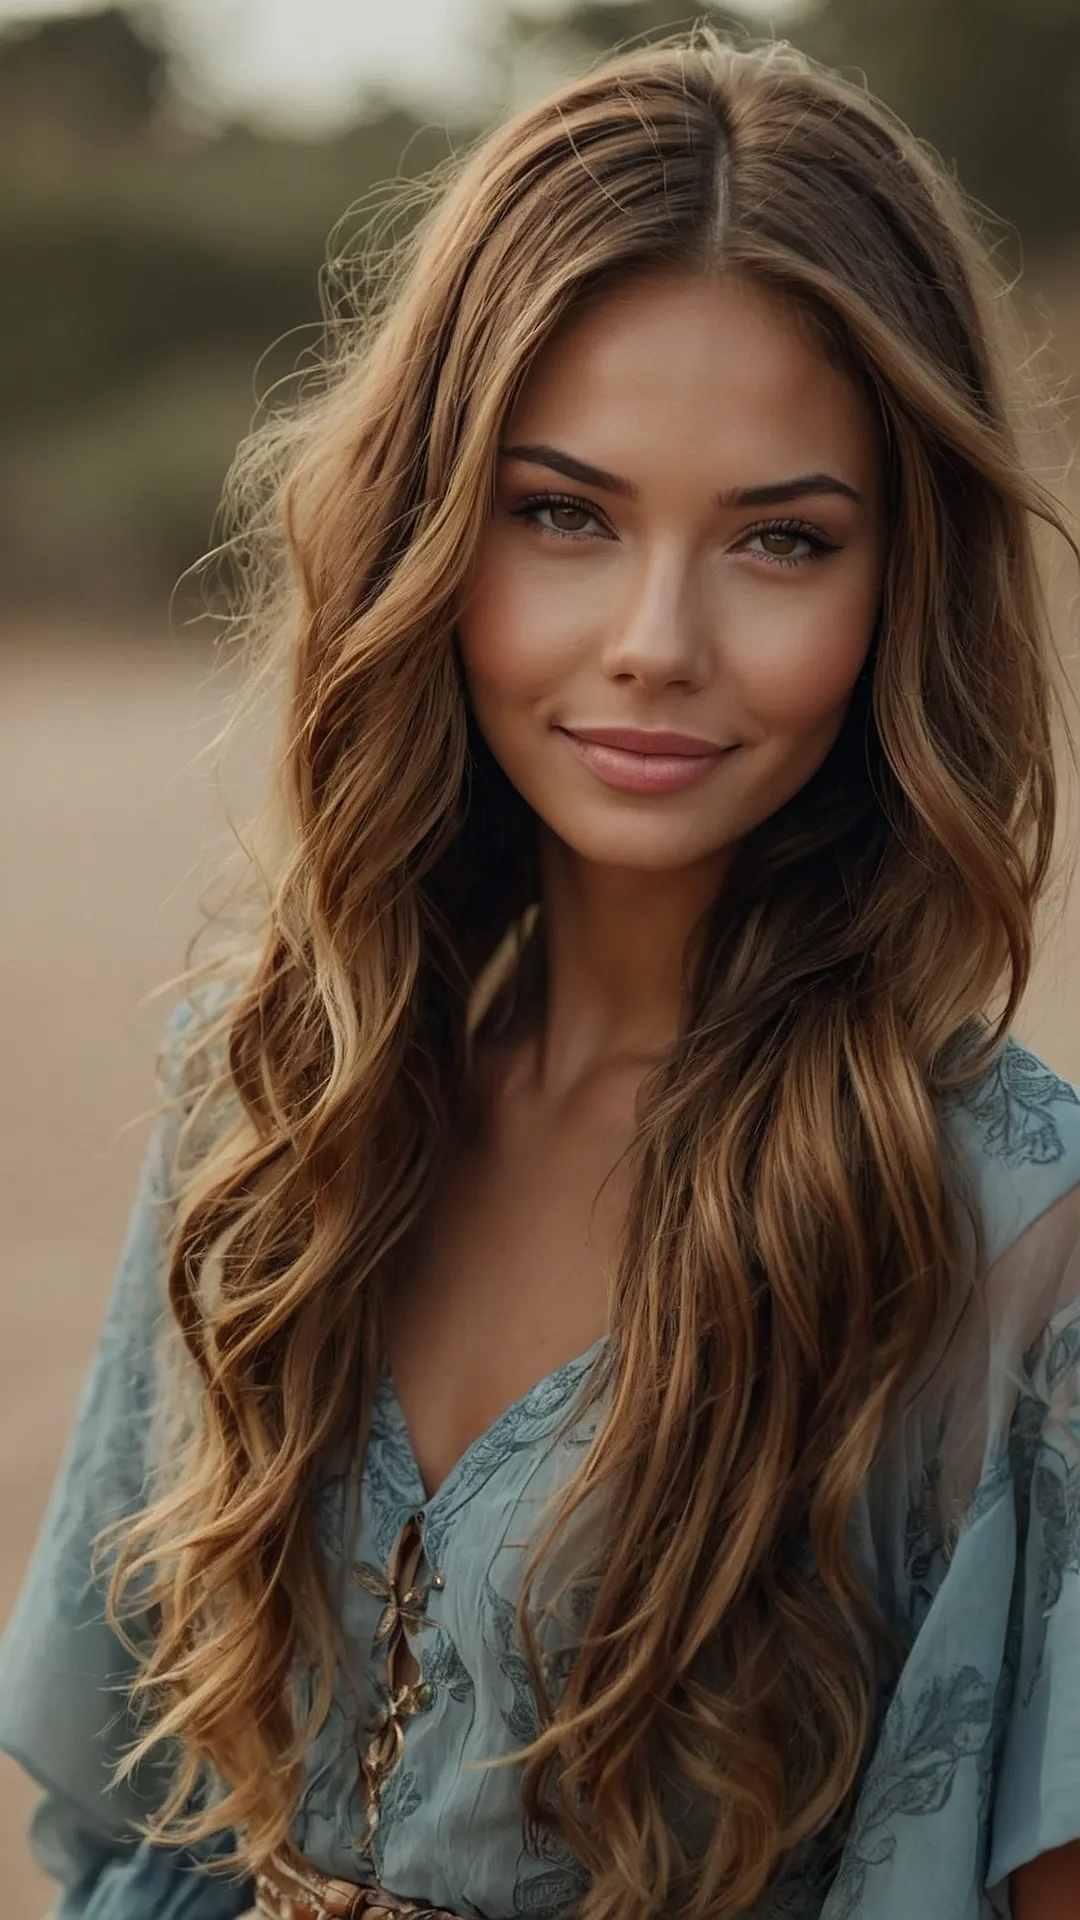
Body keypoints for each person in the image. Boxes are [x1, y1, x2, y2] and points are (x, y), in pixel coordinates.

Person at [2, 24, 1079, 1920]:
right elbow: (131, 1830)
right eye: (564, 512)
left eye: (781, 539)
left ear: (901, 583)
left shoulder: (1017, 1235)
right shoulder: (270, 1108)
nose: (656, 641)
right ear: (432, 529)